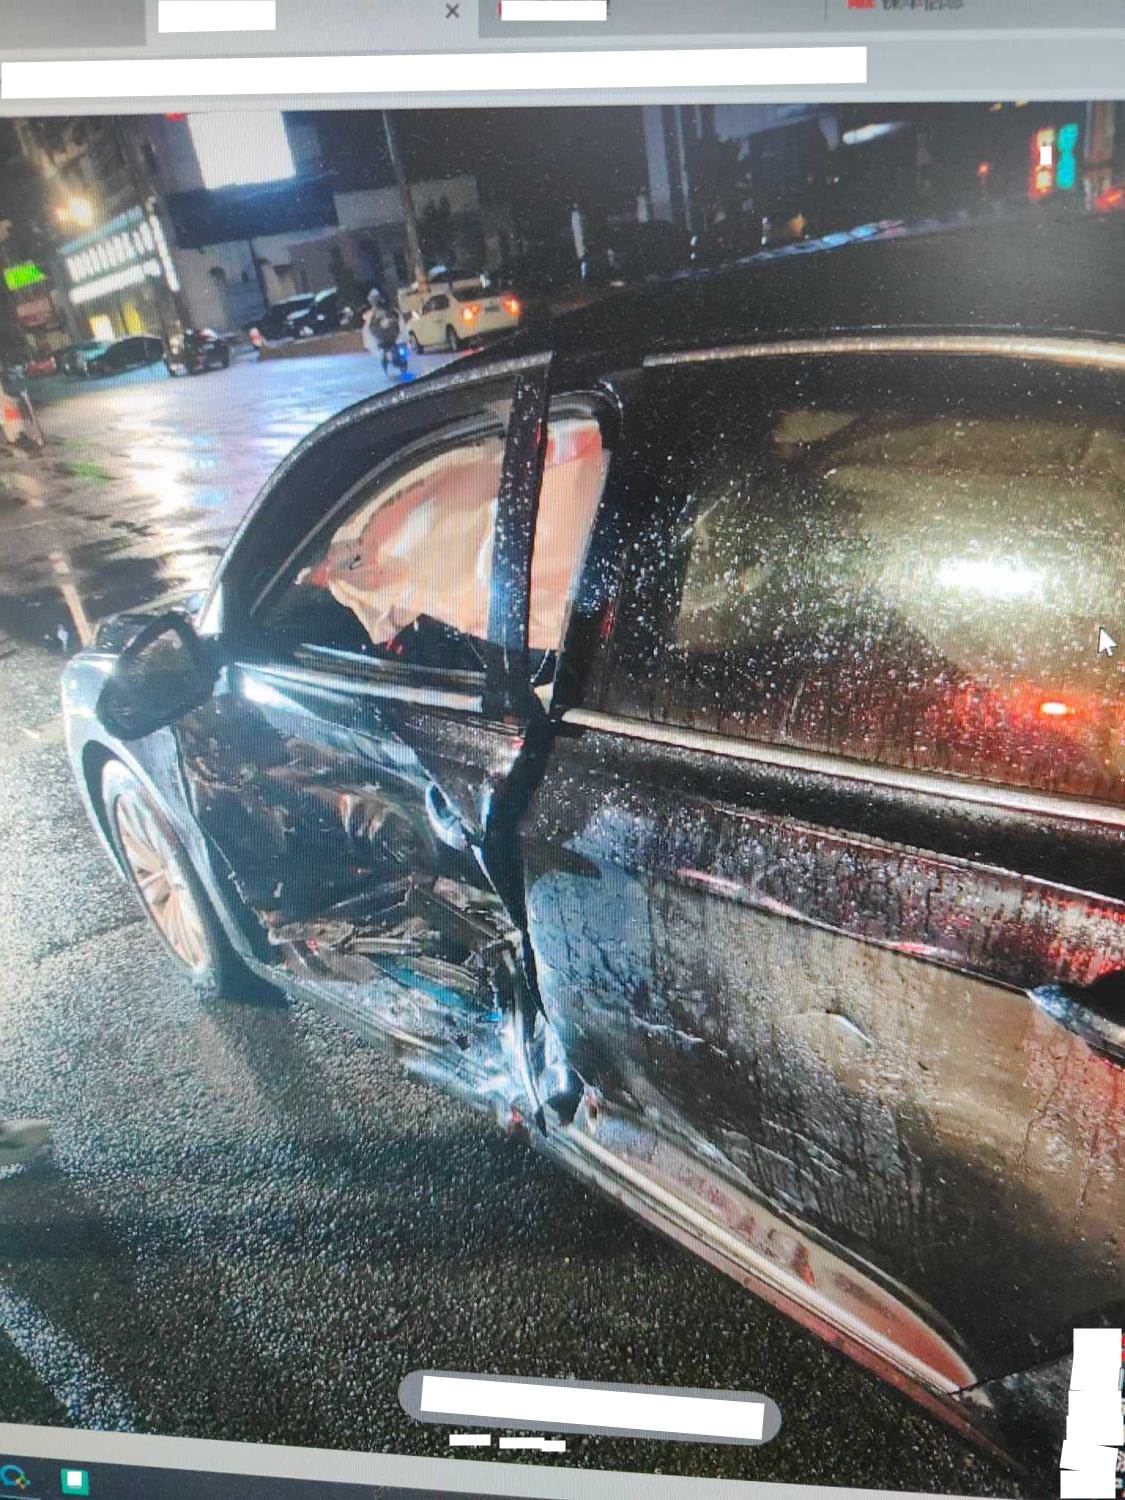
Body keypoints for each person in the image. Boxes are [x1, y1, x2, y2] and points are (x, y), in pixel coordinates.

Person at [362, 290, 403, 374]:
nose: (374, 300)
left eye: (375, 298)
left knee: (395, 344)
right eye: (373, 299)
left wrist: (393, 319)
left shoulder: (385, 306)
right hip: (383, 334)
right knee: (385, 348)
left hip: (391, 332)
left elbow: (395, 315)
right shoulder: (372, 312)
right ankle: (387, 361)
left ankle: (393, 360)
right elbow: (370, 323)